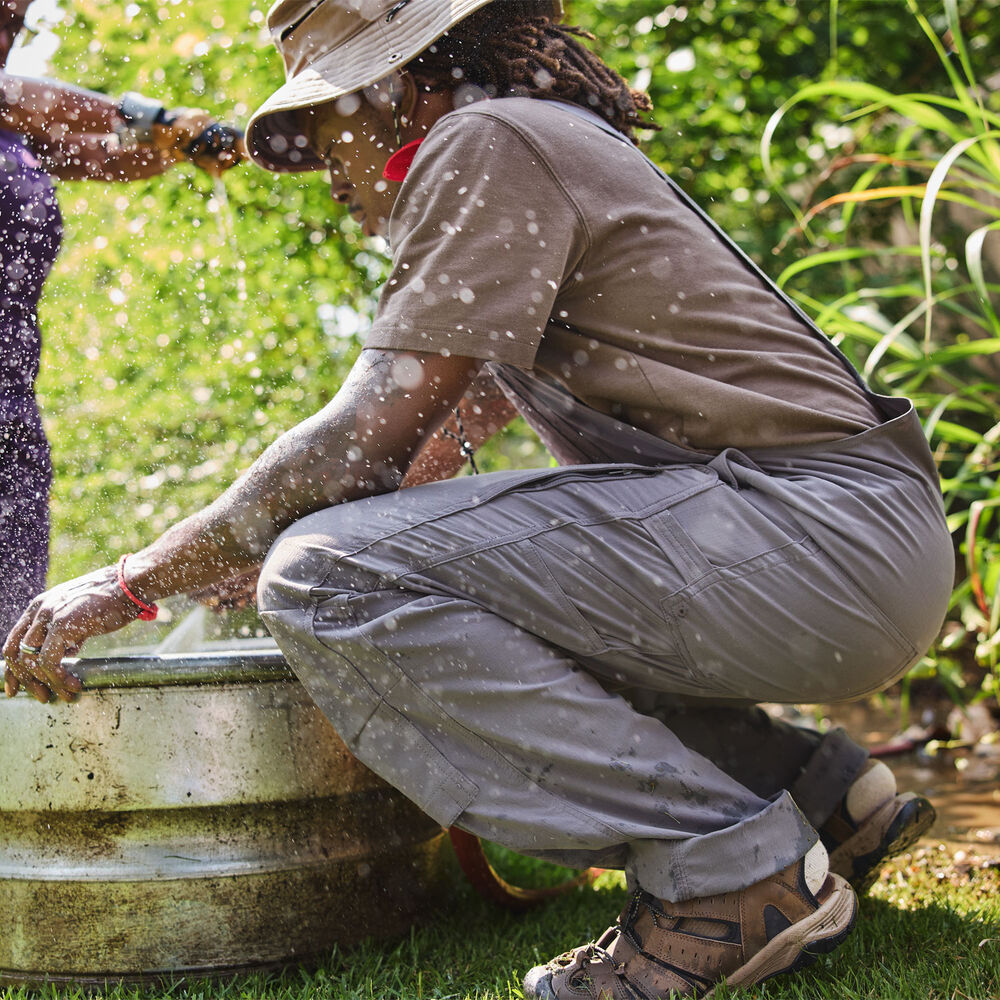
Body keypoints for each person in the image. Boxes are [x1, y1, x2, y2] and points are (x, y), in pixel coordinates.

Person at [3, 1, 955, 996]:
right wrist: (280, 534)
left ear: (391, 88)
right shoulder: (530, 139)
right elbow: (429, 442)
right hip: (841, 539)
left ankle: (728, 880)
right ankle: (812, 794)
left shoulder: (482, 140)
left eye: (325, 136)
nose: (329, 183)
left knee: (326, 577)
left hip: (815, 541)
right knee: (358, 557)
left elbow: (353, 441)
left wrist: (132, 580)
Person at [0, 0, 242, 638]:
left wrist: (182, 143)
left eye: (17, 10)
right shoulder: (12, 98)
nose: (12, 14)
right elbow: (22, 96)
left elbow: (105, 157)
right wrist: (153, 117)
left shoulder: (16, 132)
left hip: (9, 418)